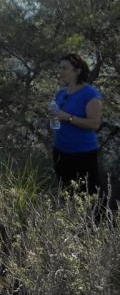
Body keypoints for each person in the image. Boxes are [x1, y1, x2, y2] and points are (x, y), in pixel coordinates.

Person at [49, 53, 104, 194]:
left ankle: (96, 217)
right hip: (60, 151)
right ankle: (72, 217)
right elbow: (58, 116)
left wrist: (68, 117)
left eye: (64, 68)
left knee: (90, 196)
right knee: (68, 194)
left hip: (83, 154)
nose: (60, 71)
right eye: (60, 68)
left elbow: (94, 124)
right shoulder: (61, 93)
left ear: (78, 71)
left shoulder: (90, 94)